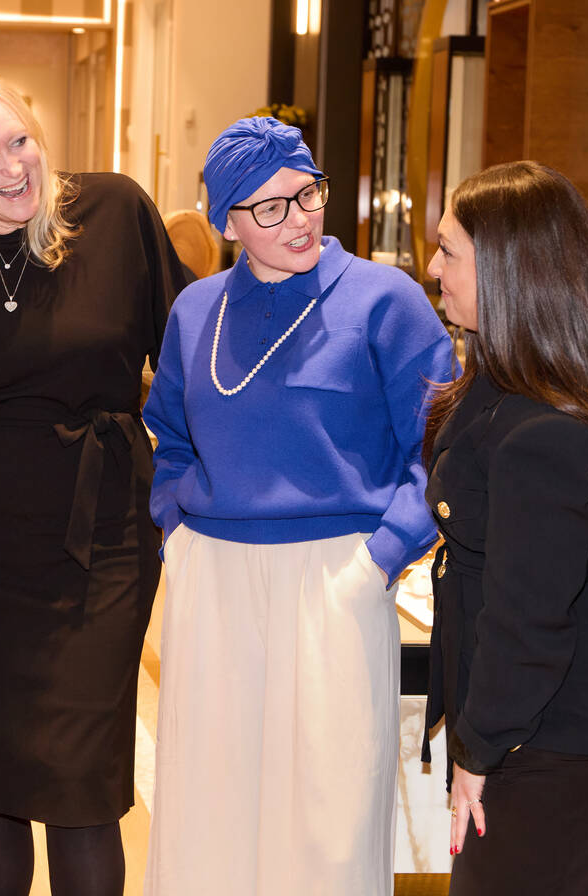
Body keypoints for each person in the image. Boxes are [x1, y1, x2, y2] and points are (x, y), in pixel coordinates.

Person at [0, 69, 191, 896]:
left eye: (20, 140)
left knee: (82, 783)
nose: (14, 167)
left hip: (105, 538)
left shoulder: (116, 213)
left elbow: (194, 357)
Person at [142, 115, 453, 895]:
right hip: (213, 574)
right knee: (206, 804)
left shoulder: (388, 300)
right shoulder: (197, 311)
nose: (301, 218)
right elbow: (171, 439)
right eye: (270, 207)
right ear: (229, 222)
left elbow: (442, 450)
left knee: (330, 814)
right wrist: (177, 533)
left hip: (337, 576)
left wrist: (378, 557)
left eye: (307, 193)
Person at [422, 160, 588, 895]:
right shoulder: (503, 383)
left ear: (510, 272)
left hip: (577, 728)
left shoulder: (543, 427)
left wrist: (477, 753)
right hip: (547, 715)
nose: (432, 266)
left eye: (449, 251)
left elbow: (528, 621)